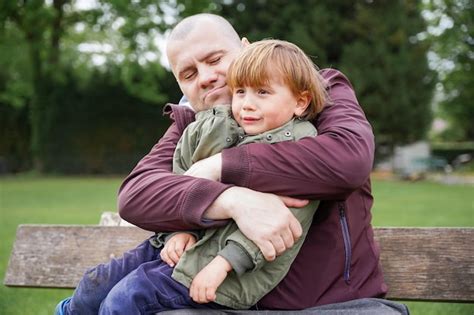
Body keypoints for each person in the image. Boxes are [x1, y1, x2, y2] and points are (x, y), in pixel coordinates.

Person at [55, 39, 326, 314]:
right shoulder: (218, 124)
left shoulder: (301, 149)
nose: (246, 104)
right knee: (94, 285)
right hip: (182, 247)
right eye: (240, 91)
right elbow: (180, 178)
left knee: (125, 300)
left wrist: (221, 265)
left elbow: (277, 227)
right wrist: (179, 228)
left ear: (300, 102)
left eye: (263, 92)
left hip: (224, 272)